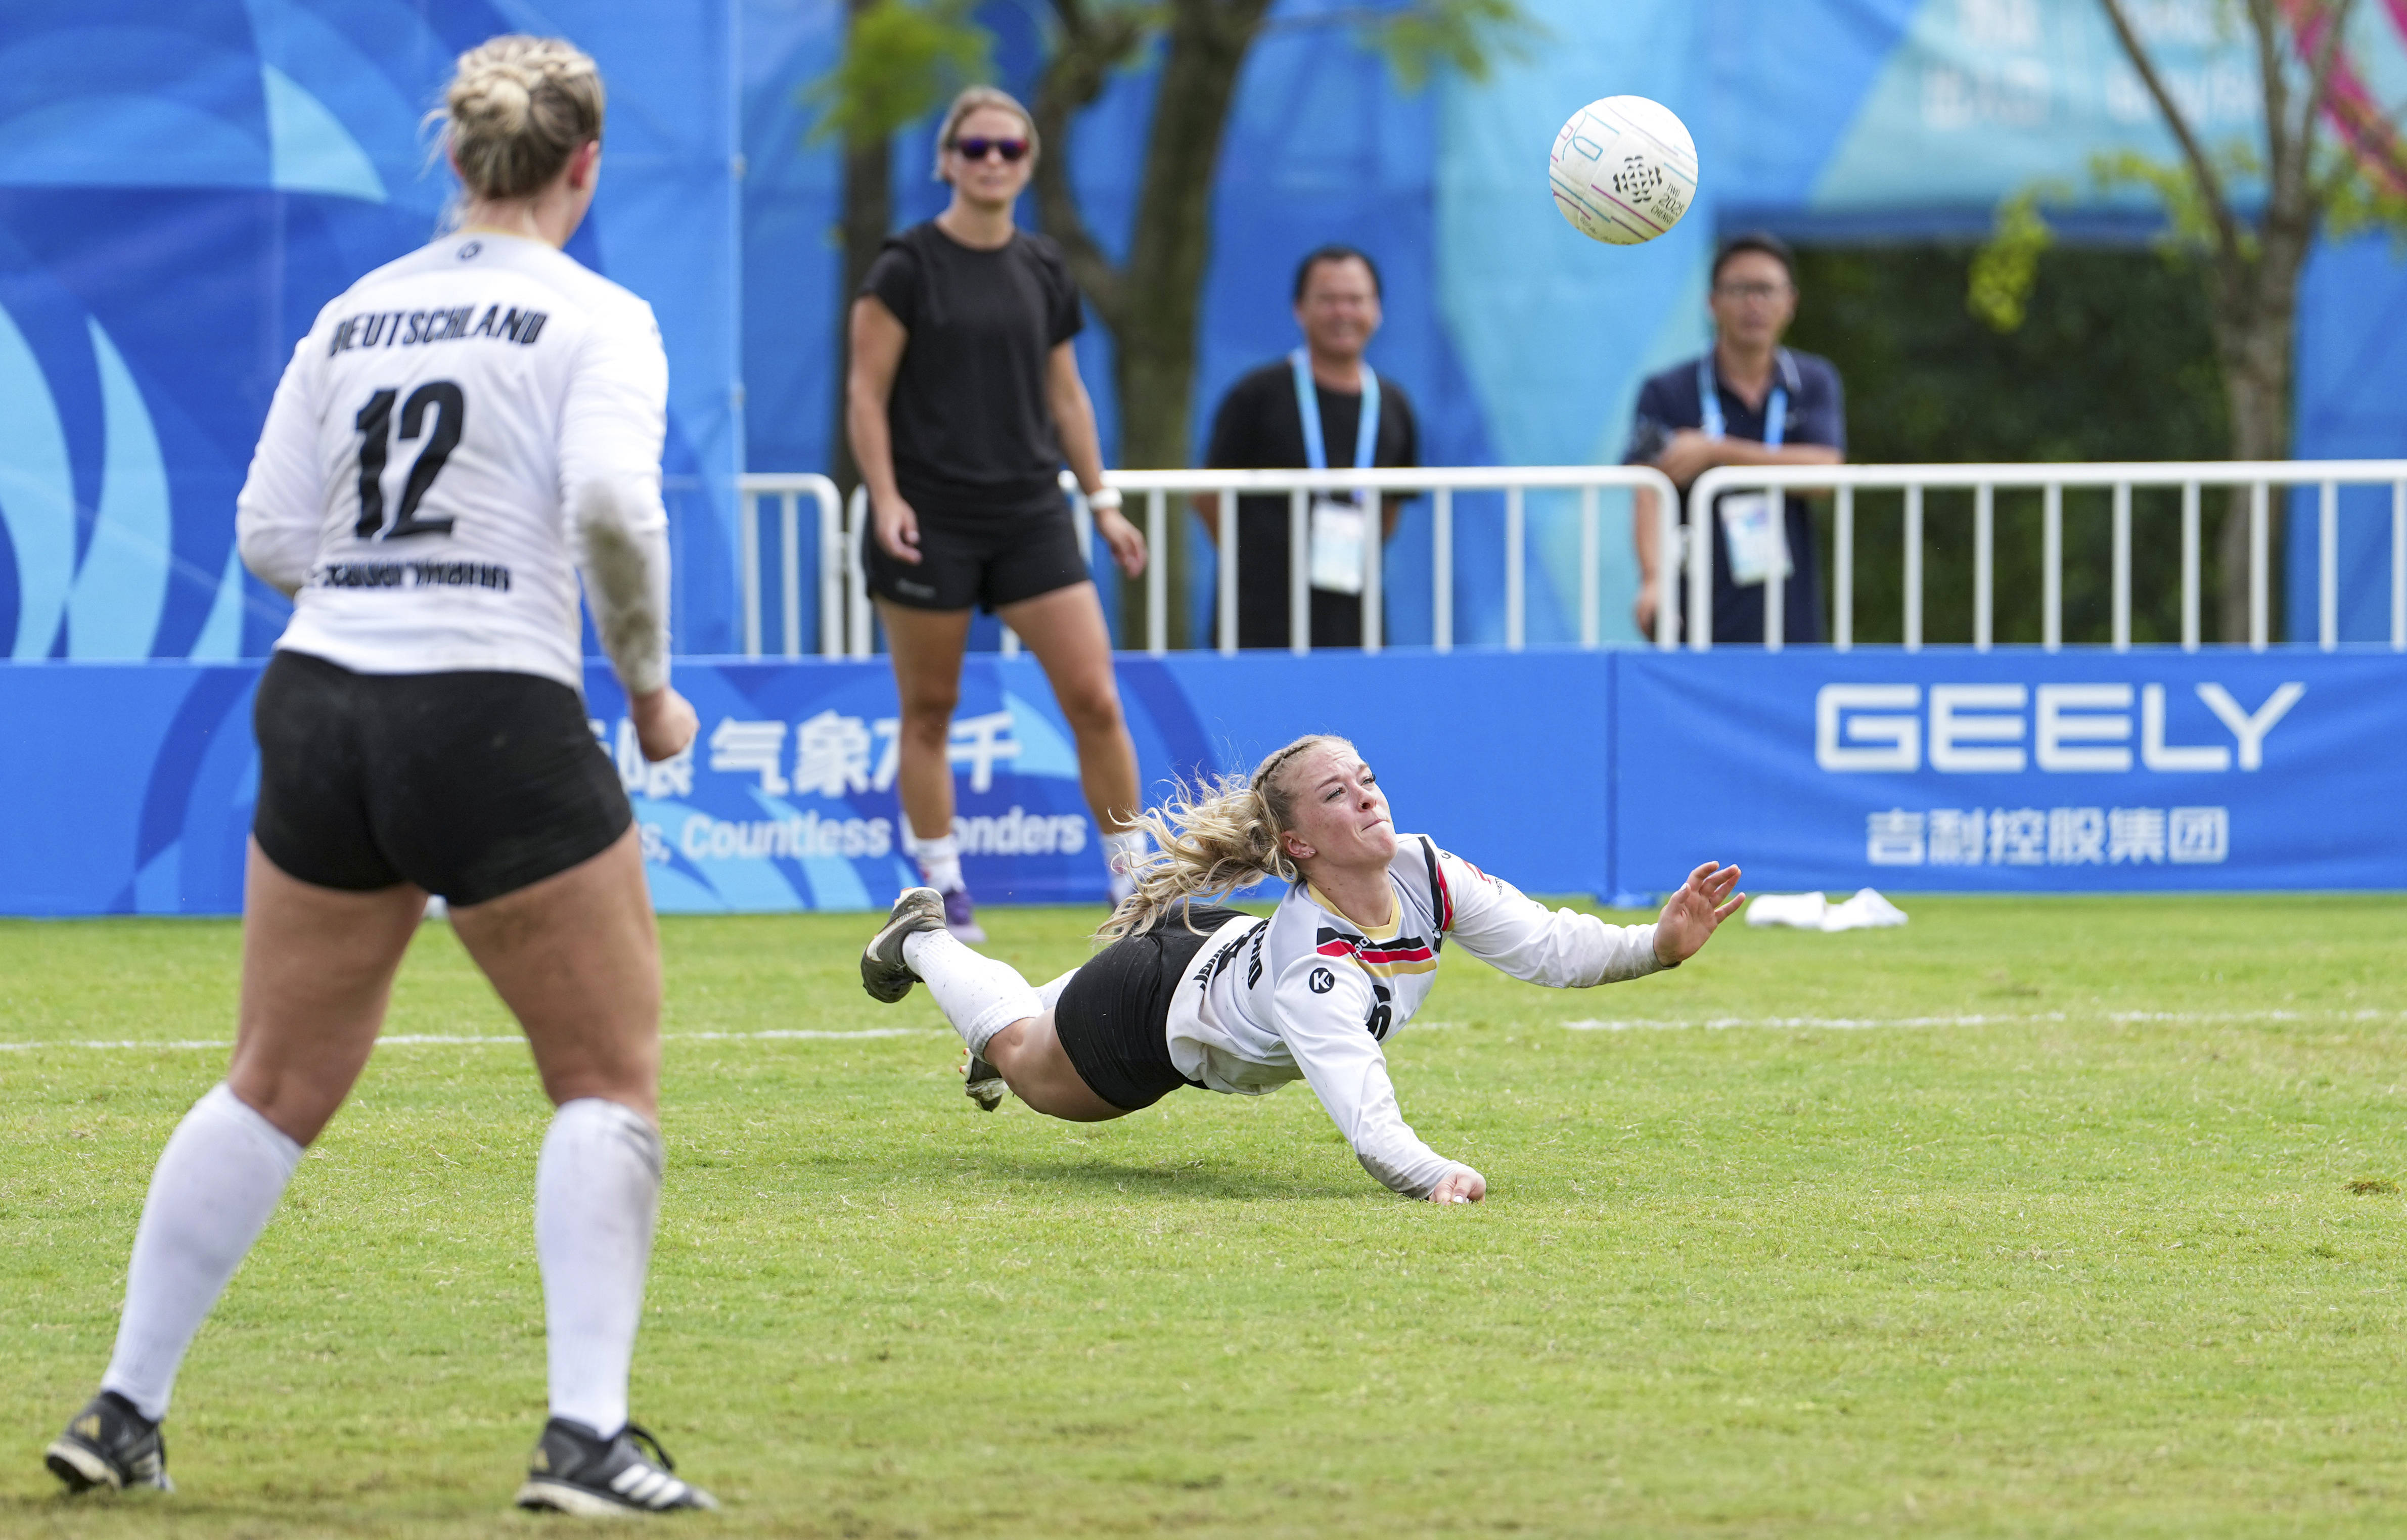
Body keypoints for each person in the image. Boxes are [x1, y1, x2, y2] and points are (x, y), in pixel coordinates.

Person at [42, 37, 715, 1515]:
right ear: (584, 167)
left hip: (322, 699)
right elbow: (608, 499)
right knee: (605, 1076)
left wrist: (382, 590)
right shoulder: (598, 314)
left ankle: (124, 1407)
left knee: (273, 1079)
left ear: (461, 162)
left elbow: (269, 531)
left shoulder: (358, 310)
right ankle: (586, 1436)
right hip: (487, 703)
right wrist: (650, 686)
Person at [857, 734, 1743, 1194]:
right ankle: (924, 939)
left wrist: (1654, 947)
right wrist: (1438, 1176)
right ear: (1296, 844)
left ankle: (996, 1013)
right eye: (1337, 794)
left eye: (1365, 779)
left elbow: (1549, 946)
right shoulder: (1316, 967)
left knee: (1023, 1032)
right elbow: (1366, 1113)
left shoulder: (1424, 868)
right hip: (1143, 1014)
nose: (1366, 795)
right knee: (1022, 1056)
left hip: (1211, 939)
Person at [848, 85, 1150, 941]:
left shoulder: (1043, 265)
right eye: (974, 147)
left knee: (1095, 698)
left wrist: (1103, 502)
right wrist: (888, 498)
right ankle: (942, 894)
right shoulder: (904, 266)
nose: (990, 161)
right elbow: (864, 396)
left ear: (1028, 164)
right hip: (929, 516)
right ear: (946, 160)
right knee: (930, 710)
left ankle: (1134, 887)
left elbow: (1068, 395)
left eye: (1008, 150)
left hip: (1028, 512)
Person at [1628, 233, 1845, 646]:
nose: (1753, 304)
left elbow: (1825, 472)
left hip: (1788, 617)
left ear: (1790, 303)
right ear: (1711, 303)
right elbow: (1645, 489)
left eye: (1765, 290)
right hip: (1693, 612)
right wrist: (1653, 580)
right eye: (1738, 290)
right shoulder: (1667, 391)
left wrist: (1715, 451)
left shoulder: (1812, 381)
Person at [1201, 247, 1419, 650]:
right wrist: (1257, 562)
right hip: (1257, 620)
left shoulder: (1393, 405)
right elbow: (1207, 496)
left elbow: (1391, 511)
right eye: (1328, 300)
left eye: (1355, 300)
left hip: (1356, 615)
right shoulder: (1256, 395)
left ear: (1377, 311)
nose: (1342, 312)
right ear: (1299, 309)